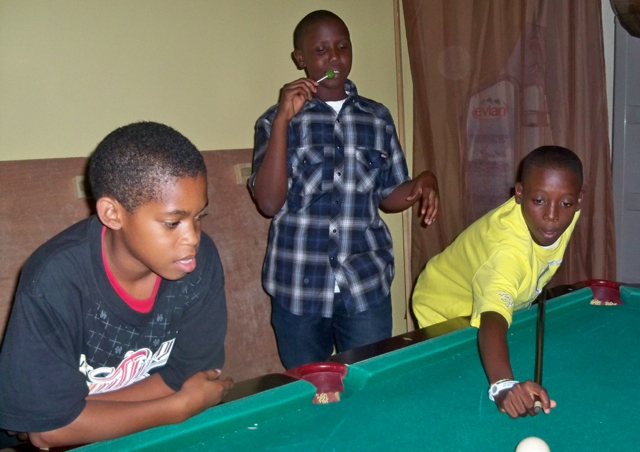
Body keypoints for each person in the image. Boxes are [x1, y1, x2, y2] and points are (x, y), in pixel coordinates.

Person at [0, 122, 233, 449]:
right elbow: (47, 435)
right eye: (172, 223)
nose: (192, 238)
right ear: (112, 213)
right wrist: (176, 408)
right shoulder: (54, 280)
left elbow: (190, 376)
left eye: (199, 218)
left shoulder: (199, 260)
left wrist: (79, 416)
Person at [249, 10, 439, 369]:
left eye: (342, 46)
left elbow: (388, 196)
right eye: (321, 49)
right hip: (298, 286)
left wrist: (422, 182)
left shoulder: (377, 117)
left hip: (365, 283)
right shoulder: (276, 120)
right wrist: (281, 124)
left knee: (370, 383)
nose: (334, 57)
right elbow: (269, 203)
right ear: (300, 59)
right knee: (309, 391)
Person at [412, 145, 584, 419]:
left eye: (566, 203)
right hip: (444, 305)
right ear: (519, 193)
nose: (552, 215)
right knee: (457, 389)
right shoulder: (505, 252)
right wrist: (503, 384)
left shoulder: (565, 214)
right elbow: (491, 320)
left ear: (578, 200)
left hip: (487, 288)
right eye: (538, 200)